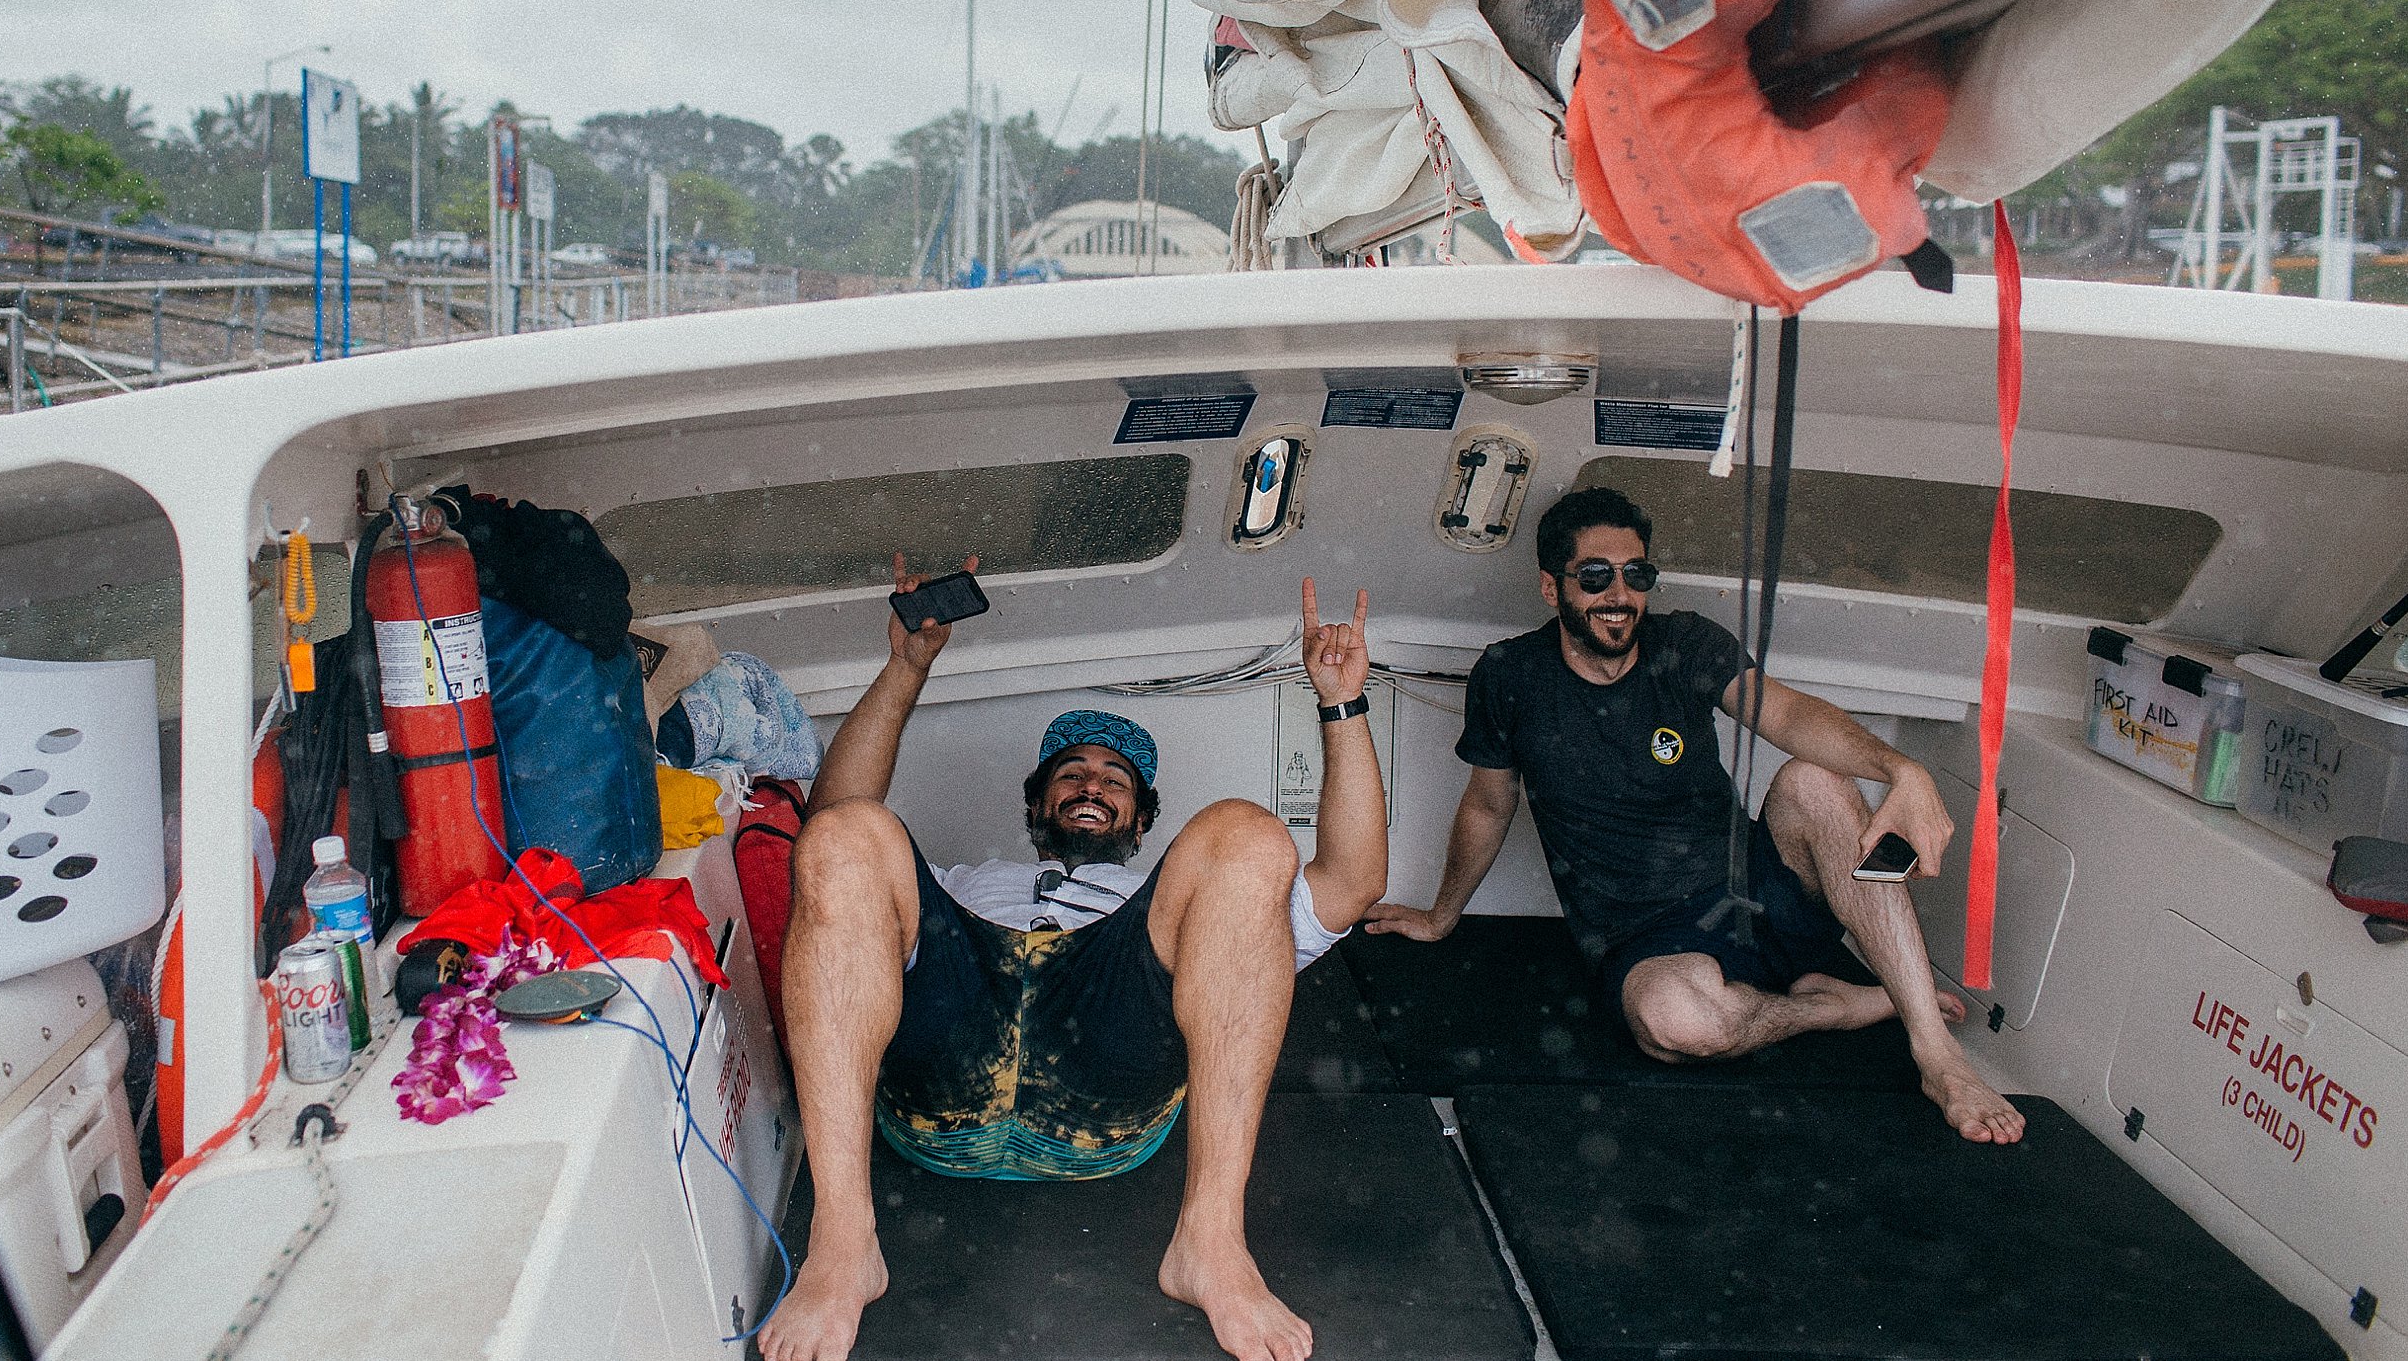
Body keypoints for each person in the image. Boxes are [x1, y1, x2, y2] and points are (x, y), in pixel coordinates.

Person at [758, 557, 1387, 1361]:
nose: (1092, 783)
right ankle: (843, 1243)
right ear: (1037, 803)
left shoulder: (1172, 913)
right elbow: (831, 816)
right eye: (1072, 772)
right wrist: (907, 664)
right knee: (846, 835)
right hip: (944, 1057)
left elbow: (1357, 879)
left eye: (1115, 778)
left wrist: (1341, 701)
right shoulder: (963, 885)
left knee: (1249, 832)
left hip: (1106, 1076)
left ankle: (1211, 1244)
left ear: (1139, 816)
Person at [1365, 486, 2025, 1146]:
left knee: (1815, 781)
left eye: (1636, 574)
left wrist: (1901, 769)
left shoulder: (1685, 643)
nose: (1619, 594)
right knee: (1676, 1023)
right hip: (1647, 938)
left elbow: (1790, 715)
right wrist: (1442, 912)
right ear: (1550, 587)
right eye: (1595, 576)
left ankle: (1936, 1054)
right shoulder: (1511, 676)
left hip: (1757, 894)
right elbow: (1488, 803)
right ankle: (1831, 1006)